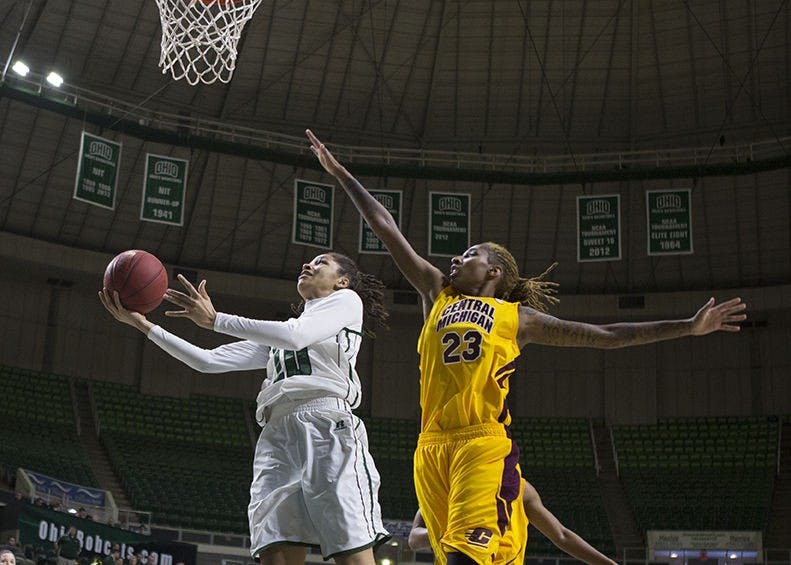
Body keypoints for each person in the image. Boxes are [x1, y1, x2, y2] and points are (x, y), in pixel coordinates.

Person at [306, 129, 747, 565]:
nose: (456, 259)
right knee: (444, 553)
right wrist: (342, 173)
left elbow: (609, 335)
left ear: (494, 270)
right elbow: (387, 228)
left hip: (481, 443)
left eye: (470, 253)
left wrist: (688, 327)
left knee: (466, 555)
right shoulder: (437, 292)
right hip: (430, 445)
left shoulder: (520, 319)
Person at [99, 252, 391, 565]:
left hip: (326, 425)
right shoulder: (280, 335)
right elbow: (206, 361)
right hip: (277, 435)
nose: (307, 264)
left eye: (321, 263)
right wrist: (144, 326)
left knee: (352, 555)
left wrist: (215, 320)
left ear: (341, 281)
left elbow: (297, 337)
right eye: (308, 261)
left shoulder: (347, 301)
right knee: (273, 550)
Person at [408, 478, 617, 565]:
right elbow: (414, 539)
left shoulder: (520, 488)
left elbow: (561, 535)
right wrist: (454, 534)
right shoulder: (451, 484)